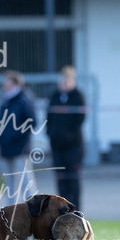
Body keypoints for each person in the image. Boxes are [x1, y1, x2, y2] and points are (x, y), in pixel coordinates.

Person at [45, 65, 86, 209]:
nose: (64, 83)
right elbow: (48, 117)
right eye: (62, 79)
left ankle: (76, 209)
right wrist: (50, 133)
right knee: (60, 178)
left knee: (72, 178)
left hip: (73, 146)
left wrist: (69, 136)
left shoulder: (78, 96)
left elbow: (80, 118)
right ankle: (62, 208)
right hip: (56, 145)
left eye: (67, 80)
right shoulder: (55, 96)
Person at [0, 70, 37, 202]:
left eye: (6, 81)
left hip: (20, 148)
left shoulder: (24, 99)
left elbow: (31, 122)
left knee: (26, 182)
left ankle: (34, 211)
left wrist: (16, 136)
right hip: (6, 148)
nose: (3, 85)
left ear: (15, 83)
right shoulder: (5, 101)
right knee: (10, 184)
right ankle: (10, 213)